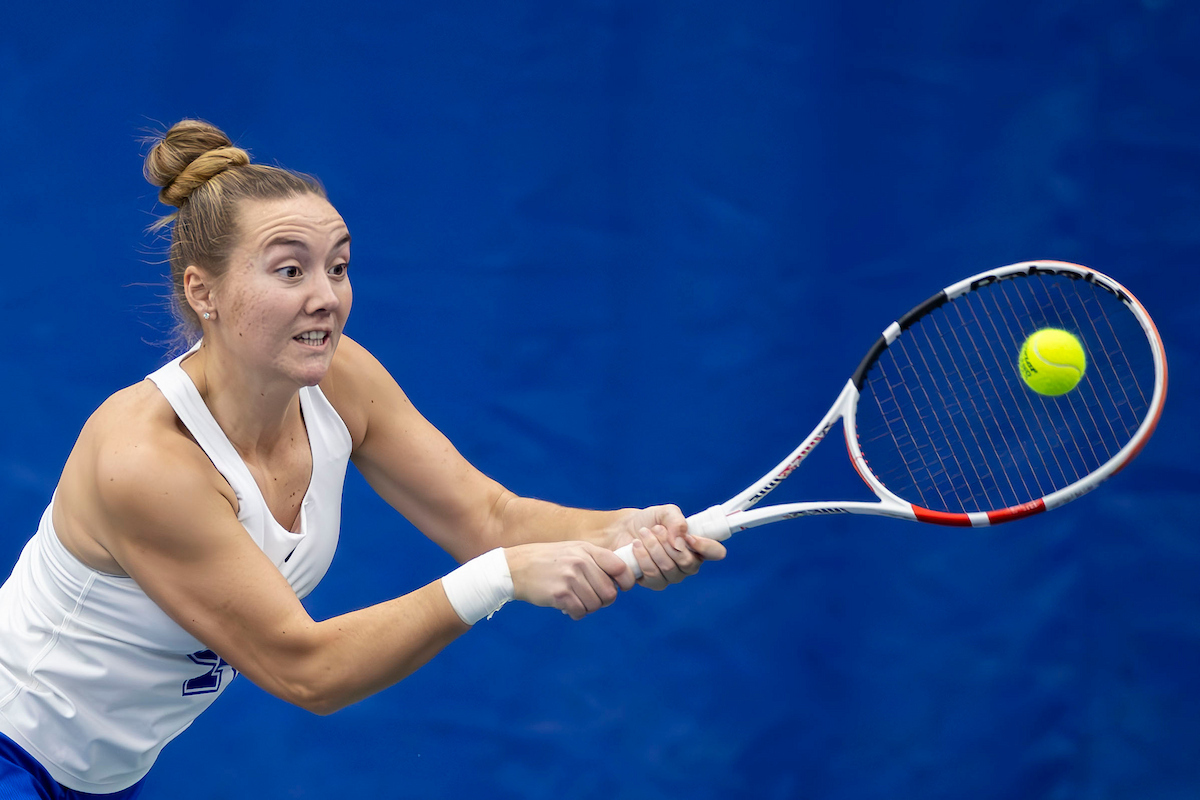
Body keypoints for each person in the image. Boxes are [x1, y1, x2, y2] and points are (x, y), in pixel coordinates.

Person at [0, 119, 726, 798]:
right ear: (204, 291)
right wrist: (501, 578)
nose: (327, 297)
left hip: (97, 777)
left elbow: (488, 515)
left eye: (338, 267)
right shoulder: (147, 460)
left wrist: (619, 531)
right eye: (290, 271)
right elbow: (305, 670)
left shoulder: (342, 378)